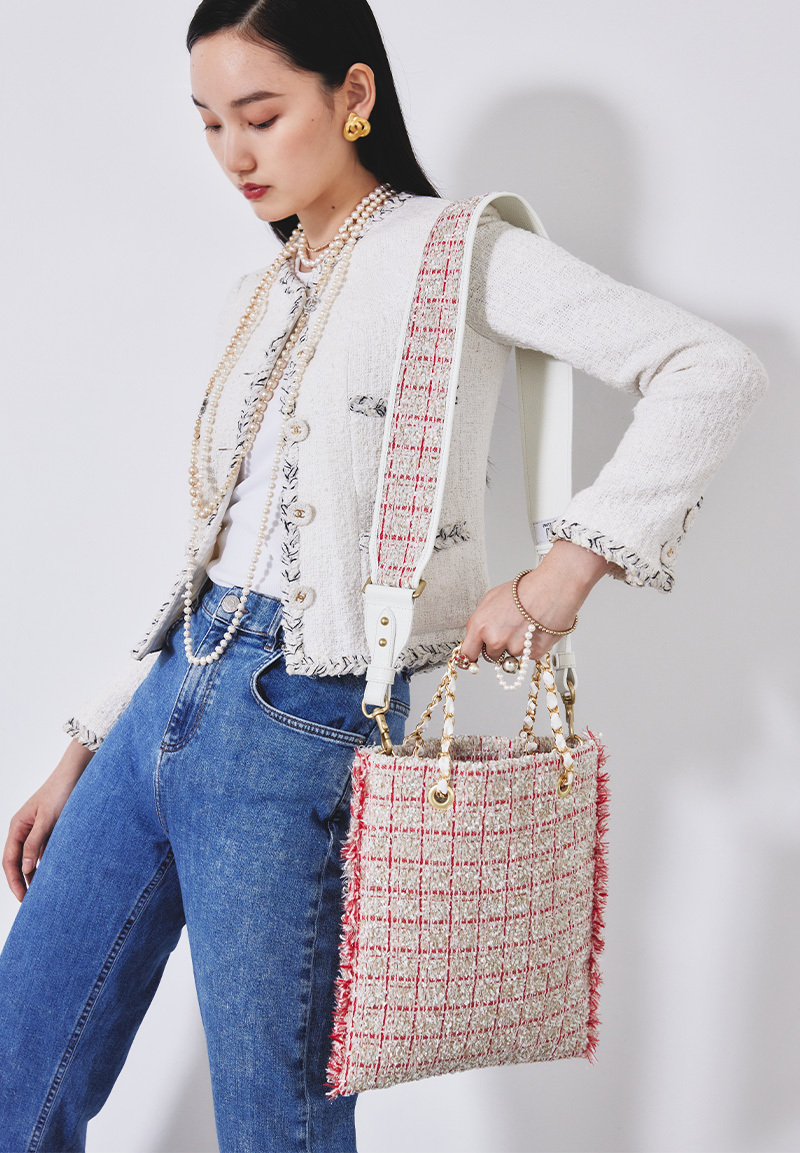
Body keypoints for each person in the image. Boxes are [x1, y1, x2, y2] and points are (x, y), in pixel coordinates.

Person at [0, 0, 768, 1150]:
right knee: (17, 1077)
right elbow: (212, 550)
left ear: (352, 95)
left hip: (298, 723)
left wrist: (561, 572)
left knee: (276, 1127)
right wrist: (85, 741)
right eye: (208, 122)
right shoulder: (260, 290)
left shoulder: (454, 253)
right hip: (164, 701)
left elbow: (708, 369)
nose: (234, 153)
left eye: (261, 114)